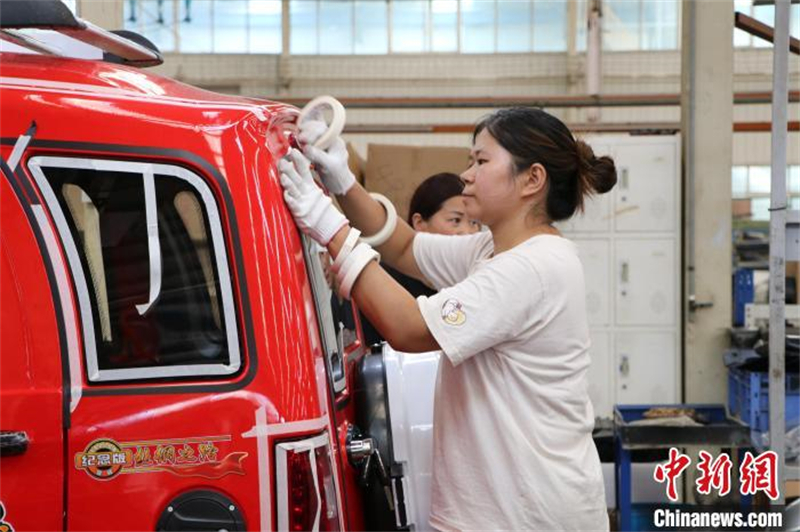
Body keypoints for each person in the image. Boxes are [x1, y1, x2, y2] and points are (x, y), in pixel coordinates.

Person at [278, 107, 616, 531]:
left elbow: (410, 329)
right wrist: (343, 183)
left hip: (527, 516)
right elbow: (404, 247)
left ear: (532, 179)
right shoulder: (493, 250)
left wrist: (330, 227)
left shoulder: (532, 268)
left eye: (481, 161)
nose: (466, 176)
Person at [360, 172, 479, 345]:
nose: (467, 232)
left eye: (474, 222)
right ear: (419, 223)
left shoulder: (475, 278)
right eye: (455, 220)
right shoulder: (383, 278)